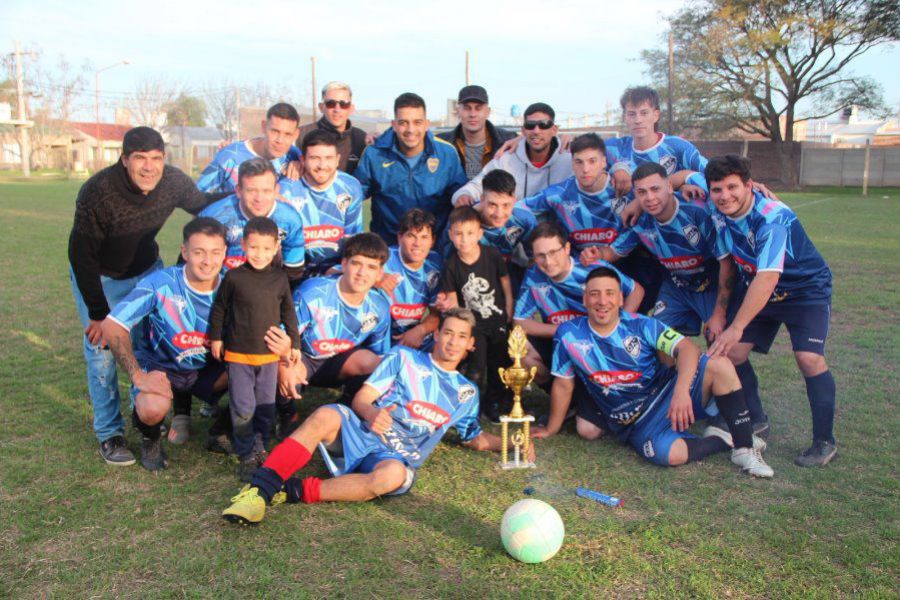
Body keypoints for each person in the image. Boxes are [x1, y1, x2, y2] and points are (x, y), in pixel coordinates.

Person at [222, 308, 535, 524]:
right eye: (447, 333)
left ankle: (289, 491)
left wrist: (514, 443)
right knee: (325, 414)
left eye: (460, 337)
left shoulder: (466, 392)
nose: (452, 341)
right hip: (361, 433)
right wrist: (372, 414)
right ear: (436, 334)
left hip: (394, 457)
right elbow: (362, 399)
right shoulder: (403, 358)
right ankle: (259, 490)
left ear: (470, 344)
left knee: (392, 477)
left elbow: (475, 439)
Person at [532, 267, 773, 478]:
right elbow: (564, 385)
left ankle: (744, 448)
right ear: (585, 300)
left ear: (619, 299)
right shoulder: (568, 335)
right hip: (636, 423)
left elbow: (687, 349)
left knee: (719, 364)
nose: (602, 301)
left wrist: (680, 392)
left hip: (665, 396)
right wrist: (552, 428)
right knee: (670, 456)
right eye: (594, 294)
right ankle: (722, 439)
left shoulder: (642, 324)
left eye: (609, 294)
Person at [68, 126, 217, 465]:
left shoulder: (173, 182)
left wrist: (252, 190)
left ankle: (148, 416)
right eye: (140, 159)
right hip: (101, 277)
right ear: (124, 160)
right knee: (102, 350)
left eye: (156, 159)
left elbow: (206, 207)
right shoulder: (98, 192)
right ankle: (110, 434)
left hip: (148, 271)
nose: (149, 167)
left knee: (148, 344)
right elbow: (81, 255)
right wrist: (97, 313)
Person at [705, 155, 837, 466]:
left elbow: (767, 277)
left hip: (804, 291)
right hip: (760, 289)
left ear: (749, 186)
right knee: (732, 354)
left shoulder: (772, 216)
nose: (725, 196)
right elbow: (727, 265)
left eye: (732, 187)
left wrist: (736, 325)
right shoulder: (718, 212)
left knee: (809, 358)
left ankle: (824, 441)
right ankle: (756, 417)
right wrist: (720, 314)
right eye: (716, 189)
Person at [101, 218, 230, 469]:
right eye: (199, 252)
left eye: (215, 252)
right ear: (184, 252)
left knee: (257, 369)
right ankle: (150, 437)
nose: (207, 261)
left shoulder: (233, 286)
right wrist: (138, 375)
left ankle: (222, 430)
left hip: (207, 371)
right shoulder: (161, 284)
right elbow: (113, 325)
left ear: (225, 252)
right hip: (163, 369)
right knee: (152, 407)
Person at [583, 162, 737, 343]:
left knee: (720, 342)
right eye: (641, 192)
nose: (650, 197)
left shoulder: (696, 211)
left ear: (670, 186)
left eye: (655, 189)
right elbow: (614, 251)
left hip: (710, 285)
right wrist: (596, 254)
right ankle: (676, 370)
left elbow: (727, 263)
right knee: (657, 341)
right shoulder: (641, 221)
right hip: (676, 286)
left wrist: (719, 314)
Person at [209, 217, 303, 481]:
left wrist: (294, 342)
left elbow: (288, 312)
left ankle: (261, 447)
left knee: (265, 405)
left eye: (265, 248)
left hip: (269, 358)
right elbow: (220, 309)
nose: (259, 254)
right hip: (238, 356)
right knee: (243, 406)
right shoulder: (234, 277)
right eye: (253, 247)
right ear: (243, 245)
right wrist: (216, 338)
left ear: (275, 248)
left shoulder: (279, 278)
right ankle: (246, 453)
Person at [275, 233, 393, 436]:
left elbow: (382, 357)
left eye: (371, 267)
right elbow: (282, 339)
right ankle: (287, 412)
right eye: (357, 264)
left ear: (379, 273)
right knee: (285, 373)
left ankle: (347, 408)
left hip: (339, 362)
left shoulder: (379, 306)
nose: (362, 273)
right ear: (344, 263)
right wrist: (284, 367)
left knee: (376, 363)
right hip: (304, 357)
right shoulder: (313, 292)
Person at [514, 222, 643, 384]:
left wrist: (619, 324)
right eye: (541, 255)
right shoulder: (533, 276)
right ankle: (560, 392)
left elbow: (636, 290)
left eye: (553, 252)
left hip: (599, 338)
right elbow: (520, 323)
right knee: (519, 347)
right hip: (562, 340)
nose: (548, 261)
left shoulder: (592, 268)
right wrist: (565, 330)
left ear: (567, 249)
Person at [355, 92, 466, 243]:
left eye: (417, 122)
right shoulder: (374, 154)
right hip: (389, 248)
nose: (410, 130)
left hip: (434, 248)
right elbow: (354, 196)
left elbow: (461, 198)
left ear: (427, 124)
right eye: (403, 123)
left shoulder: (446, 153)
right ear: (394, 125)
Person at [437, 206, 513, 422]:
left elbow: (505, 281)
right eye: (459, 234)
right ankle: (472, 406)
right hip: (474, 326)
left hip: (497, 320)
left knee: (500, 363)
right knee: (477, 367)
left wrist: (509, 307)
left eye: (470, 233)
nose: (464, 239)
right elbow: (453, 301)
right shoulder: (451, 265)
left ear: (480, 233)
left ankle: (497, 403)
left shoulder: (492, 255)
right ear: (451, 235)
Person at [199, 157, 306, 282]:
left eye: (266, 191)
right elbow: (195, 262)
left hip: (267, 290)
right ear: (238, 191)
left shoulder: (290, 219)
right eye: (251, 191)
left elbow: (293, 270)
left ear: (276, 191)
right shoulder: (214, 217)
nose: (259, 199)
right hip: (222, 288)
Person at [279, 129, 364, 276]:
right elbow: (278, 245)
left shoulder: (350, 187)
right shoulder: (286, 190)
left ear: (338, 159)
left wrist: (338, 270)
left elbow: (353, 241)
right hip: (293, 272)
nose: (322, 165)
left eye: (328, 158)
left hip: (336, 271)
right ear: (303, 160)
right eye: (314, 158)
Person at [452, 102, 572, 206]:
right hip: (517, 227)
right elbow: (480, 184)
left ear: (554, 130)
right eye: (530, 125)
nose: (536, 131)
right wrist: (464, 195)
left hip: (557, 227)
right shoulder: (507, 158)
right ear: (523, 130)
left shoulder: (570, 158)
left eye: (543, 125)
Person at [604, 87, 709, 202]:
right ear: (625, 117)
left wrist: (682, 183)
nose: (638, 120)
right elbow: (585, 166)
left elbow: (714, 176)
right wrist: (617, 168)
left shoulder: (678, 147)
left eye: (644, 113)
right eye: (631, 114)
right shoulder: (613, 148)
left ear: (656, 115)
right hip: (628, 219)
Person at [197, 102, 302, 194]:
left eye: (287, 134)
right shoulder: (230, 156)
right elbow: (198, 196)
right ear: (264, 127)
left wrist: (301, 165)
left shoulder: (296, 156)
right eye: (275, 131)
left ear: (296, 134)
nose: (280, 140)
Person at [377, 208, 443, 349]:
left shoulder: (436, 264)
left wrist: (420, 331)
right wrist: (374, 279)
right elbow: (338, 273)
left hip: (414, 334)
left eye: (424, 237)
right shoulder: (382, 258)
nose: (417, 243)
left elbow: (436, 314)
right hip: (378, 335)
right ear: (400, 237)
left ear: (433, 240)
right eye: (411, 236)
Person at [436, 85, 517, 179]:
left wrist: (522, 139)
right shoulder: (441, 143)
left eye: (478, 108)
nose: (472, 114)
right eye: (467, 108)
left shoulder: (508, 141)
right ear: (458, 111)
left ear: (487, 111)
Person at [298, 81, 369, 175]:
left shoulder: (361, 139)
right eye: (331, 103)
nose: (337, 109)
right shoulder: (301, 135)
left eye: (343, 104)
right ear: (321, 107)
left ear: (351, 108)